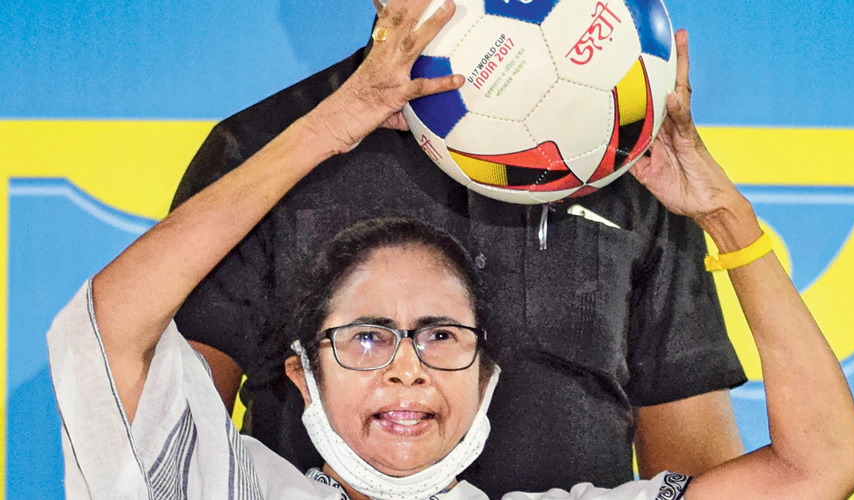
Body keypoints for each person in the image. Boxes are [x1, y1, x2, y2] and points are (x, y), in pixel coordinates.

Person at [47, 2, 854, 494]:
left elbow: (798, 467)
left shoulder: (623, 167)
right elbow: (124, 364)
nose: (406, 370)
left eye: (443, 339)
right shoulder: (263, 153)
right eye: (365, 337)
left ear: (488, 371)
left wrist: (730, 218)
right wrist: (329, 127)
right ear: (302, 369)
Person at [169, 2, 746, 495]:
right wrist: (326, 131)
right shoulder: (263, 152)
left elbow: (697, 461)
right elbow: (171, 446)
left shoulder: (619, 156)